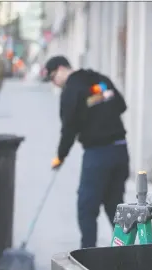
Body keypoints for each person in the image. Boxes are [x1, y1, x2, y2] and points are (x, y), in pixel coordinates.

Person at [43, 56, 130, 248]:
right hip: (120, 151)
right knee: (114, 204)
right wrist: (98, 101)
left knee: (87, 207)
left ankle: (88, 256)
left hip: (98, 155)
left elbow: (68, 130)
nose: (54, 83)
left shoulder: (70, 91)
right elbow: (121, 105)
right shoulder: (99, 80)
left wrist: (60, 157)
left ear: (60, 69)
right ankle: (128, 251)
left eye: (52, 77)